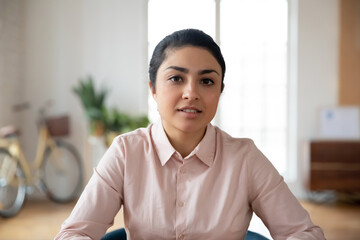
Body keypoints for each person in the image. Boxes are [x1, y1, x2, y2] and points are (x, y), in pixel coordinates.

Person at [55, 29, 325, 240]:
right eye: (176, 78)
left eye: (207, 81)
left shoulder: (245, 158)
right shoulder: (126, 152)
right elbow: (74, 234)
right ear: (153, 89)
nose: (191, 93)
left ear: (219, 91)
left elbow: (302, 233)